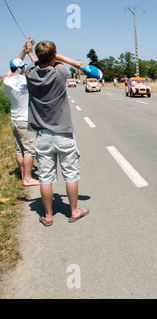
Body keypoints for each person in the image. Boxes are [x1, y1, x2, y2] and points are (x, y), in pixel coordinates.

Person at [25, 40, 89, 226]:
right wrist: (63, 58)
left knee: (45, 178)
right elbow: (61, 62)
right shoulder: (61, 73)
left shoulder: (30, 73)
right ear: (54, 56)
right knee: (71, 175)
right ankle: (74, 211)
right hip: (64, 133)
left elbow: (37, 63)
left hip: (43, 135)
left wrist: (32, 53)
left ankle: (48, 215)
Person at [2, 38, 40, 186]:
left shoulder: (6, 80)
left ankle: (23, 174)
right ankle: (28, 178)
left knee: (19, 149)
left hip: (14, 119)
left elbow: (14, 64)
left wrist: (24, 51)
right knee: (29, 150)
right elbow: (39, 69)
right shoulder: (25, 82)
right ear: (21, 69)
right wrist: (30, 53)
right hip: (25, 120)